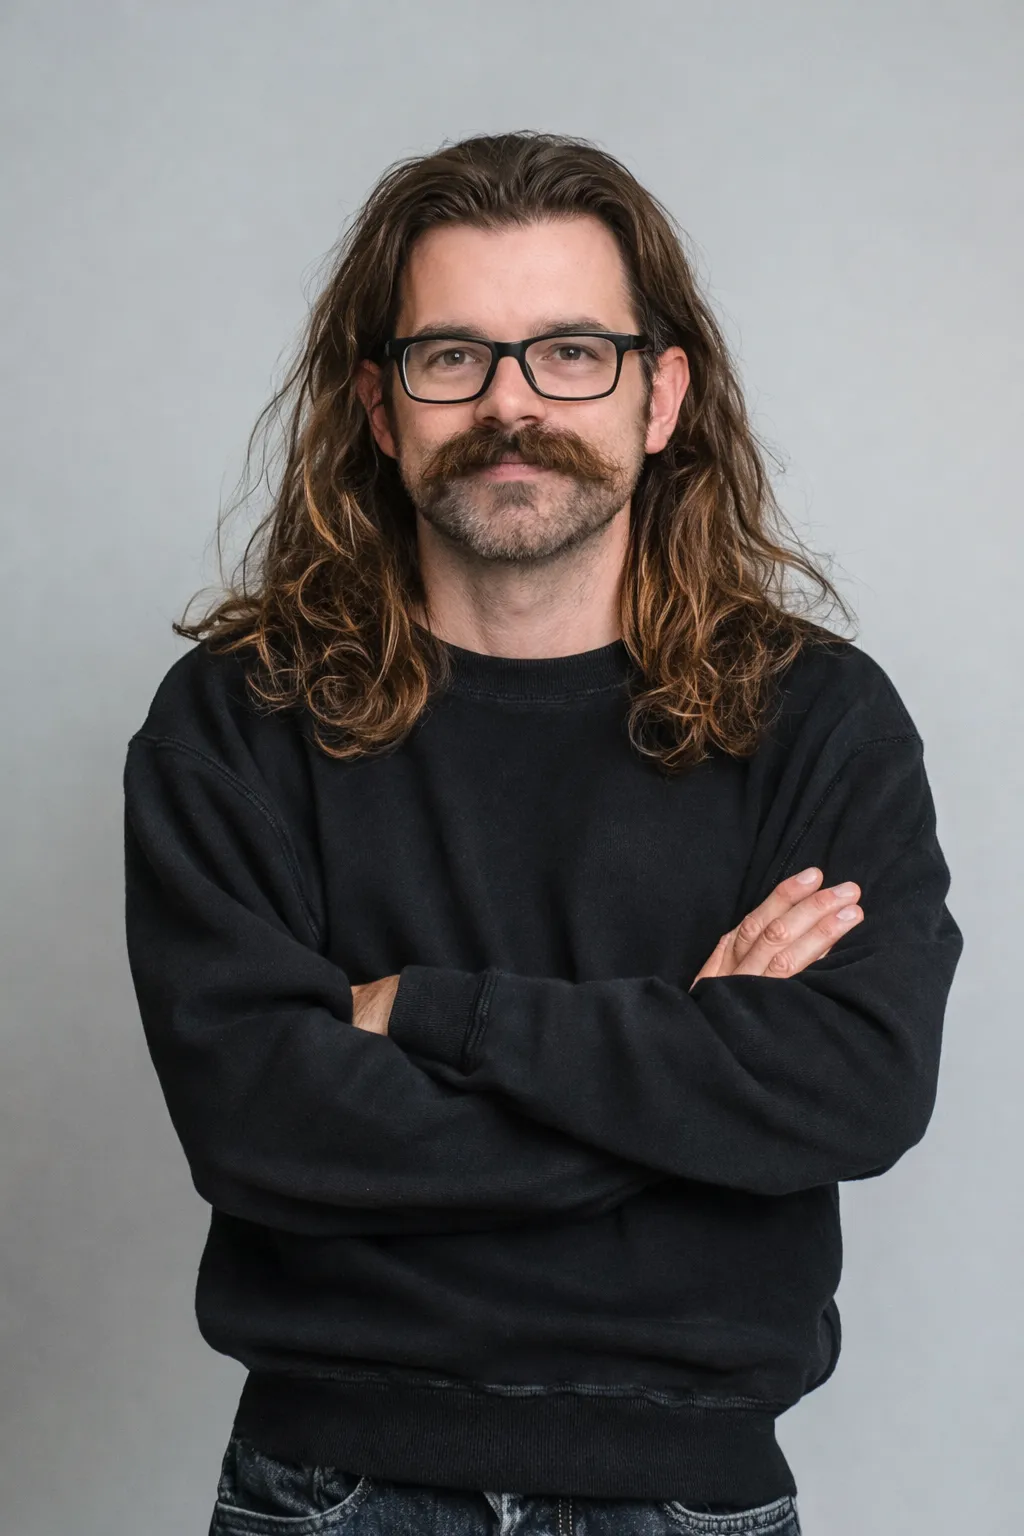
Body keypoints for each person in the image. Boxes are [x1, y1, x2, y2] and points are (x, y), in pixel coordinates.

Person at [122, 130, 963, 1536]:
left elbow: (859, 1087)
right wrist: (696, 1071)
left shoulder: (817, 718)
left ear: (661, 394)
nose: (510, 402)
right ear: (380, 406)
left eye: (572, 352)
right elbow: (262, 1125)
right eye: (452, 355)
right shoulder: (239, 717)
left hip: (690, 1497)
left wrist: (428, 1013)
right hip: (329, 1489)